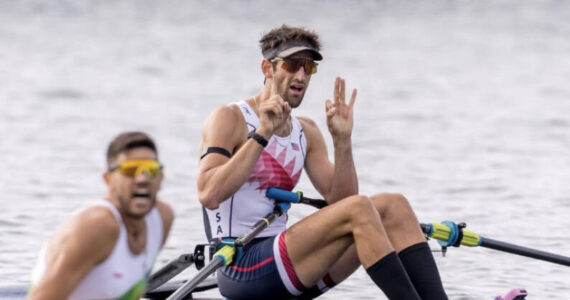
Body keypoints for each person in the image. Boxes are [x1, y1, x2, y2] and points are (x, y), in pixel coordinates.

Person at [197, 25, 447, 299]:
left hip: (285, 266)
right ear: (267, 68)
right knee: (361, 209)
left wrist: (342, 141)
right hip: (240, 265)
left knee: (393, 206)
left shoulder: (307, 132)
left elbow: (344, 203)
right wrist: (263, 133)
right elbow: (209, 194)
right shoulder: (230, 118)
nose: (301, 75)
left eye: (309, 68)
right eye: (293, 65)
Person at [26, 131, 174, 300]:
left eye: (151, 170)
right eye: (131, 170)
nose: (142, 179)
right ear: (108, 179)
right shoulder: (96, 226)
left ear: (161, 178)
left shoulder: (162, 219)